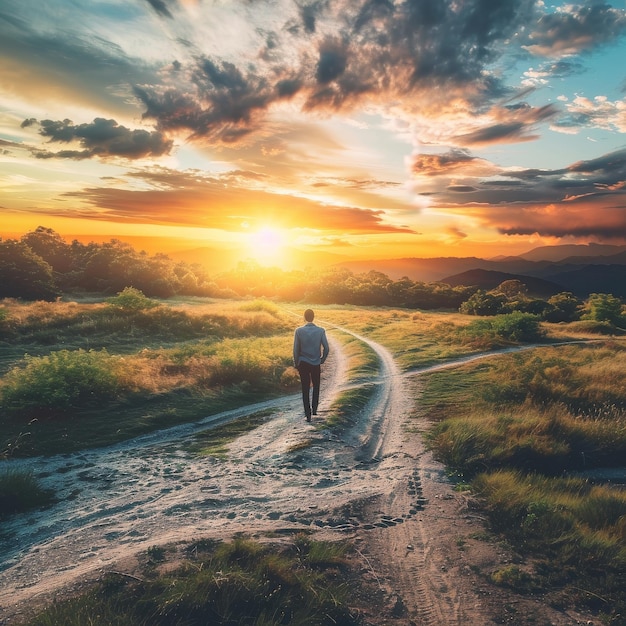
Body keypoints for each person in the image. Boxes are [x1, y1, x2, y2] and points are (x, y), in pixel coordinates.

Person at [293, 309, 329, 422]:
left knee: (305, 388)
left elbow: (296, 349)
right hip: (316, 363)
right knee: (316, 385)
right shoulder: (321, 331)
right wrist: (322, 359)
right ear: (313, 317)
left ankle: (307, 414)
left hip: (303, 362)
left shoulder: (299, 331)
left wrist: (296, 362)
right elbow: (327, 348)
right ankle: (315, 409)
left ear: (304, 317)